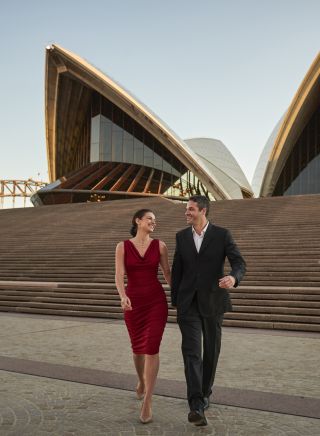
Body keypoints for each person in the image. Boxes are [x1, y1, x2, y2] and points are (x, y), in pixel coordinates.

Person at [171, 195, 246, 426]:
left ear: (203, 211)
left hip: (213, 301)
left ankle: (205, 393)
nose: (187, 213)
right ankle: (196, 404)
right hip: (188, 304)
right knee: (192, 352)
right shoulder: (181, 236)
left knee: (211, 351)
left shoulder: (222, 235)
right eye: (186, 209)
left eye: (191, 209)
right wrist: (176, 300)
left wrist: (233, 278)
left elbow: (239, 263)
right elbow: (177, 270)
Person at [115, 209, 171, 424]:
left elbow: (167, 273)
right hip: (133, 303)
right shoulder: (122, 246)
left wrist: (179, 294)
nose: (153, 222)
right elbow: (119, 274)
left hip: (156, 302)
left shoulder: (161, 246)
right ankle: (141, 381)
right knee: (138, 349)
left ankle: (148, 399)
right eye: (149, 219)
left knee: (152, 348)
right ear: (137, 221)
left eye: (155, 220)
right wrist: (122, 296)